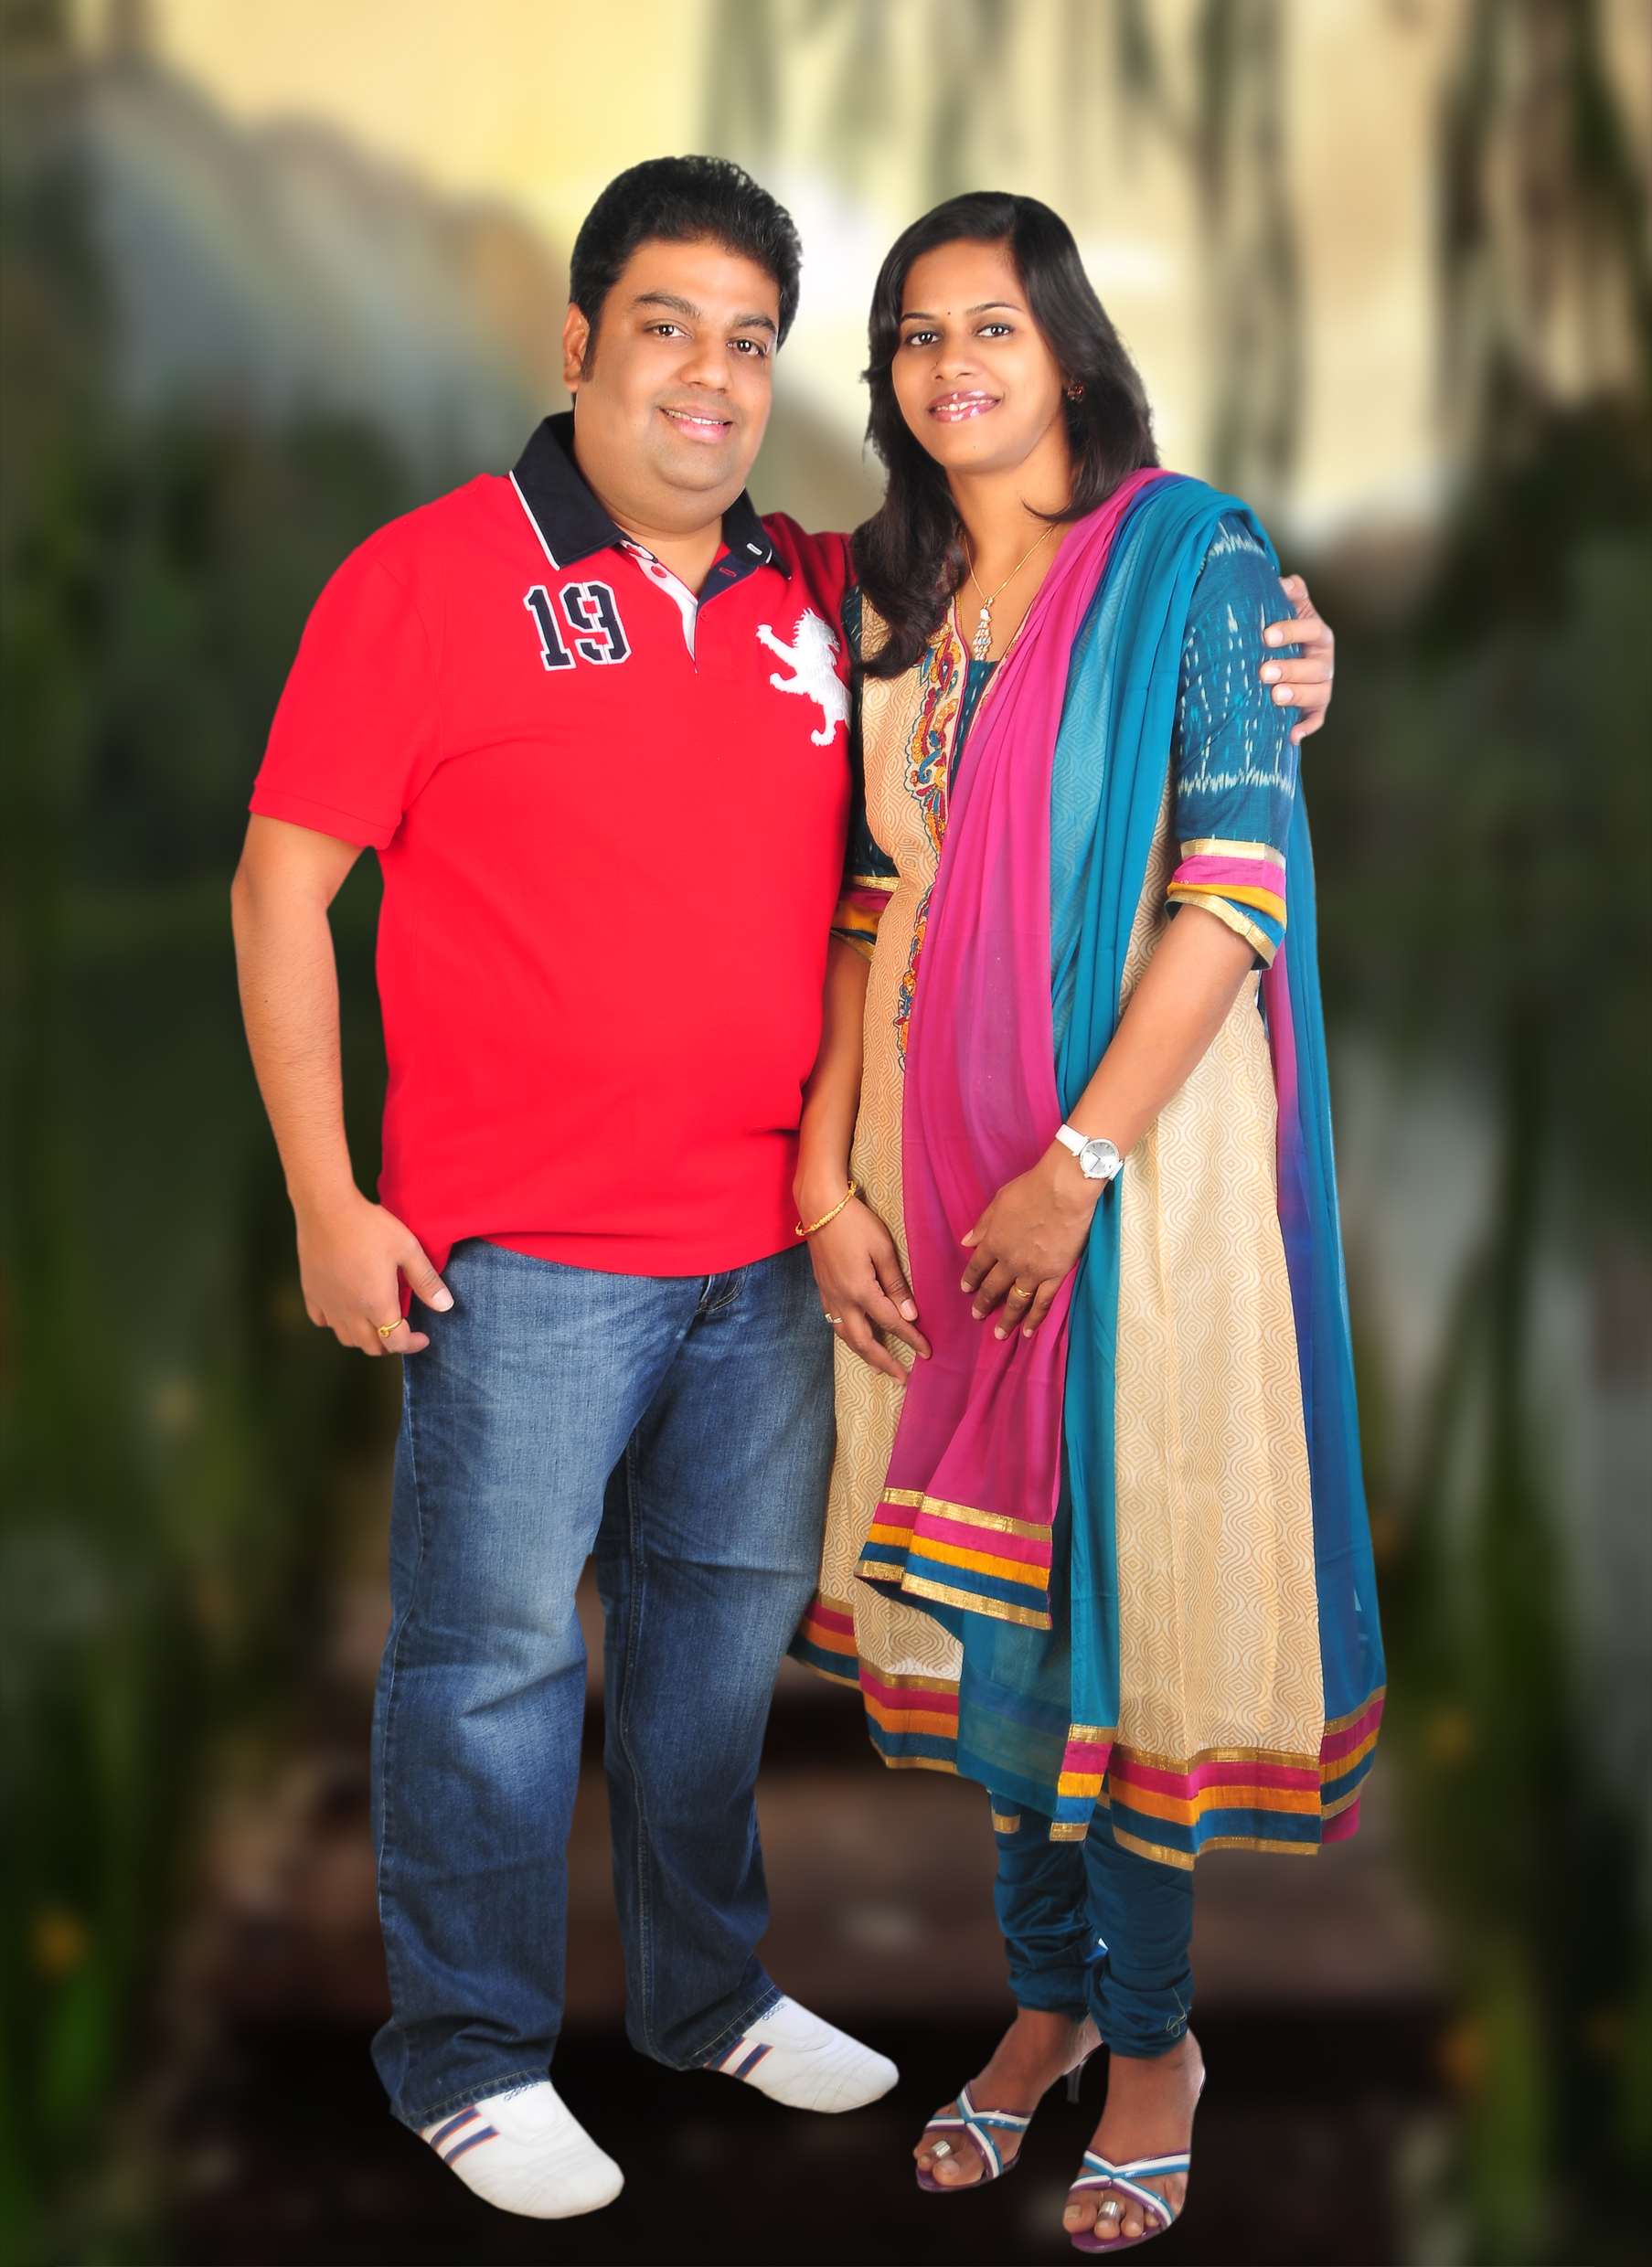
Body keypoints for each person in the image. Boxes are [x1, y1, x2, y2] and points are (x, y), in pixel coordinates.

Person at [231, 157, 1340, 2225]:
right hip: (522, 1251)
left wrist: (1280, 650)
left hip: (775, 1245)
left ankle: (704, 1992)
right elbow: (280, 882)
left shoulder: (830, 588)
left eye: (751, 340)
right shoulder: (427, 575)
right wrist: (322, 1192)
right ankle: (468, 2055)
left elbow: (1058, 630)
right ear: (579, 341)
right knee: (488, 1663)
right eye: (664, 326)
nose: (708, 377)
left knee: (710, 1653)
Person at [792, 192, 1382, 2253]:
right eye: (915, 334)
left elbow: (1231, 892)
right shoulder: (898, 602)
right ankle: (1040, 2005)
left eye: (993, 325)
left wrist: (1075, 1169)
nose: (952, 365)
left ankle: (1150, 2048)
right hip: (926, 1184)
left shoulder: (1191, 566)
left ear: (1067, 348)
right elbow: (875, 904)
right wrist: (824, 1178)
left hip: (1126, 1190)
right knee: (989, 1633)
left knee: (1117, 1615)